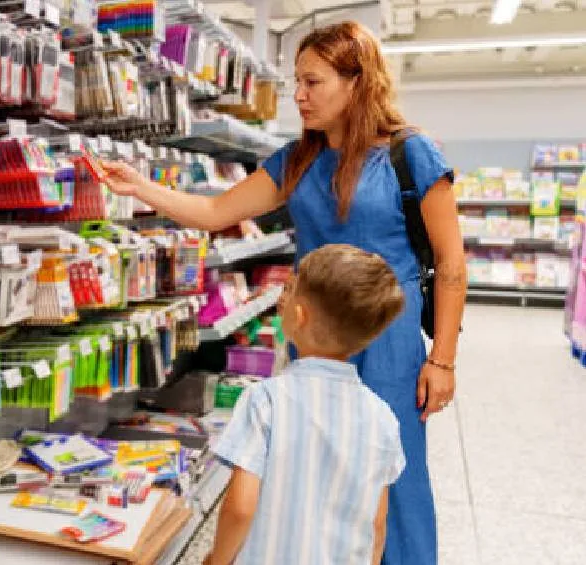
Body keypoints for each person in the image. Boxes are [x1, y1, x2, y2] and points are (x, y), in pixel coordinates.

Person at [100, 20, 464, 565]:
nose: (298, 95)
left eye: (312, 82)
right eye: (297, 80)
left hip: (388, 340)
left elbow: (452, 265)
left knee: (397, 475)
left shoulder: (409, 157)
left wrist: (444, 360)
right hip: (315, 333)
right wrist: (141, 187)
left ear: (356, 81)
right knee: (307, 469)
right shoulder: (296, 161)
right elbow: (216, 212)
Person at [204, 244, 407, 565]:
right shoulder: (382, 417)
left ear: (298, 316)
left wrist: (217, 560)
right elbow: (377, 523)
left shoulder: (266, 400)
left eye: (290, 290)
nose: (282, 299)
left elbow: (240, 508)